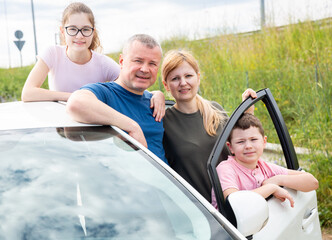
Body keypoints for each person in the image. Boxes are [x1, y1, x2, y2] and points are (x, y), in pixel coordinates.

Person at [161, 49, 257, 202]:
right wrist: (153, 95)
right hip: (201, 213)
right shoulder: (163, 122)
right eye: (175, 78)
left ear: (198, 78)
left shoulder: (215, 110)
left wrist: (247, 113)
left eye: (188, 76)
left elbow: (240, 149)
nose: (183, 83)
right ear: (166, 85)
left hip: (237, 203)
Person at [66, 34, 167, 163]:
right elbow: (76, 104)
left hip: (169, 182)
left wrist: (158, 94)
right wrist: (132, 127)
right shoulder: (106, 93)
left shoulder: (154, 101)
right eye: (138, 61)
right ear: (121, 61)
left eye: (152, 63)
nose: (145, 69)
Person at [212, 113, 319, 208]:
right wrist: (271, 188)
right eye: (240, 142)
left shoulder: (264, 167)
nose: (248, 146)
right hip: (228, 229)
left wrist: (279, 180)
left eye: (253, 139)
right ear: (230, 147)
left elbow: (312, 182)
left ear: (264, 142)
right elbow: (235, 203)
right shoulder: (226, 168)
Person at [21, 2, 120, 102]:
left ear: (93, 32)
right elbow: (27, 93)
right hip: (59, 117)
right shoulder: (52, 54)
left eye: (85, 29)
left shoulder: (103, 63)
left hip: (92, 117)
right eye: (72, 29)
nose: (79, 36)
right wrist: (74, 97)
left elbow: (129, 87)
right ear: (63, 31)